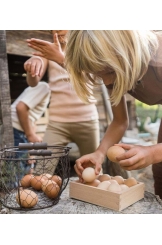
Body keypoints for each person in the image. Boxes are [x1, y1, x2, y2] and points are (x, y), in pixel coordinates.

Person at [62, 30, 162, 199]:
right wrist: (99, 153)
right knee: (160, 170)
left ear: (128, 50)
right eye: (99, 75)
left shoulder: (159, 62)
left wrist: (153, 152)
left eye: (109, 72)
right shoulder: (113, 70)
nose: (107, 82)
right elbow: (120, 121)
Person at [25, 30, 100, 175]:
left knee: (92, 171)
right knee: (40, 172)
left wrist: (60, 58)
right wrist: (32, 68)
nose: (58, 30)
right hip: (57, 124)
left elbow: (87, 76)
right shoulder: (49, 50)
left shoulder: (86, 46)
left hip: (87, 121)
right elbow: (32, 82)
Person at [11, 82, 50, 176]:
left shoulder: (43, 92)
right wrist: (30, 134)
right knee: (17, 174)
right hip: (16, 129)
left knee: (27, 166)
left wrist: (31, 148)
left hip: (20, 130)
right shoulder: (44, 87)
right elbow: (20, 108)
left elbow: (32, 120)